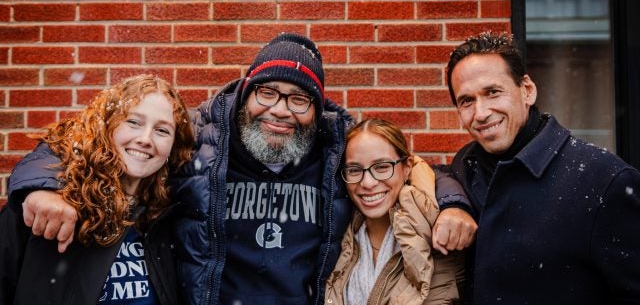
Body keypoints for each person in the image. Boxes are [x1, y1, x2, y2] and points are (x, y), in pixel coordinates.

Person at [7, 33, 477, 305]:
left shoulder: (336, 149)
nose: (280, 110)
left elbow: (409, 165)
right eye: (267, 93)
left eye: (298, 99)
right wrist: (42, 188)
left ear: (316, 111)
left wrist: (453, 201)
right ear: (246, 95)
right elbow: (84, 146)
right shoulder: (197, 140)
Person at [445, 32, 640, 304]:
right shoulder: (464, 168)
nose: (480, 113)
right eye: (467, 101)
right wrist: (453, 204)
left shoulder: (604, 181)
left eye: (492, 92)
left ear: (527, 90)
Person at [0, 74, 195, 304]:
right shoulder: (41, 207)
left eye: (162, 131)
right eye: (133, 122)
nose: (145, 139)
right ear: (108, 127)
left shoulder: (166, 218)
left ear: (173, 147)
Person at [325, 119, 465, 305]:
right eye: (354, 169)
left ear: (407, 167)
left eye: (382, 167)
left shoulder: (438, 234)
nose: (368, 183)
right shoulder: (335, 235)